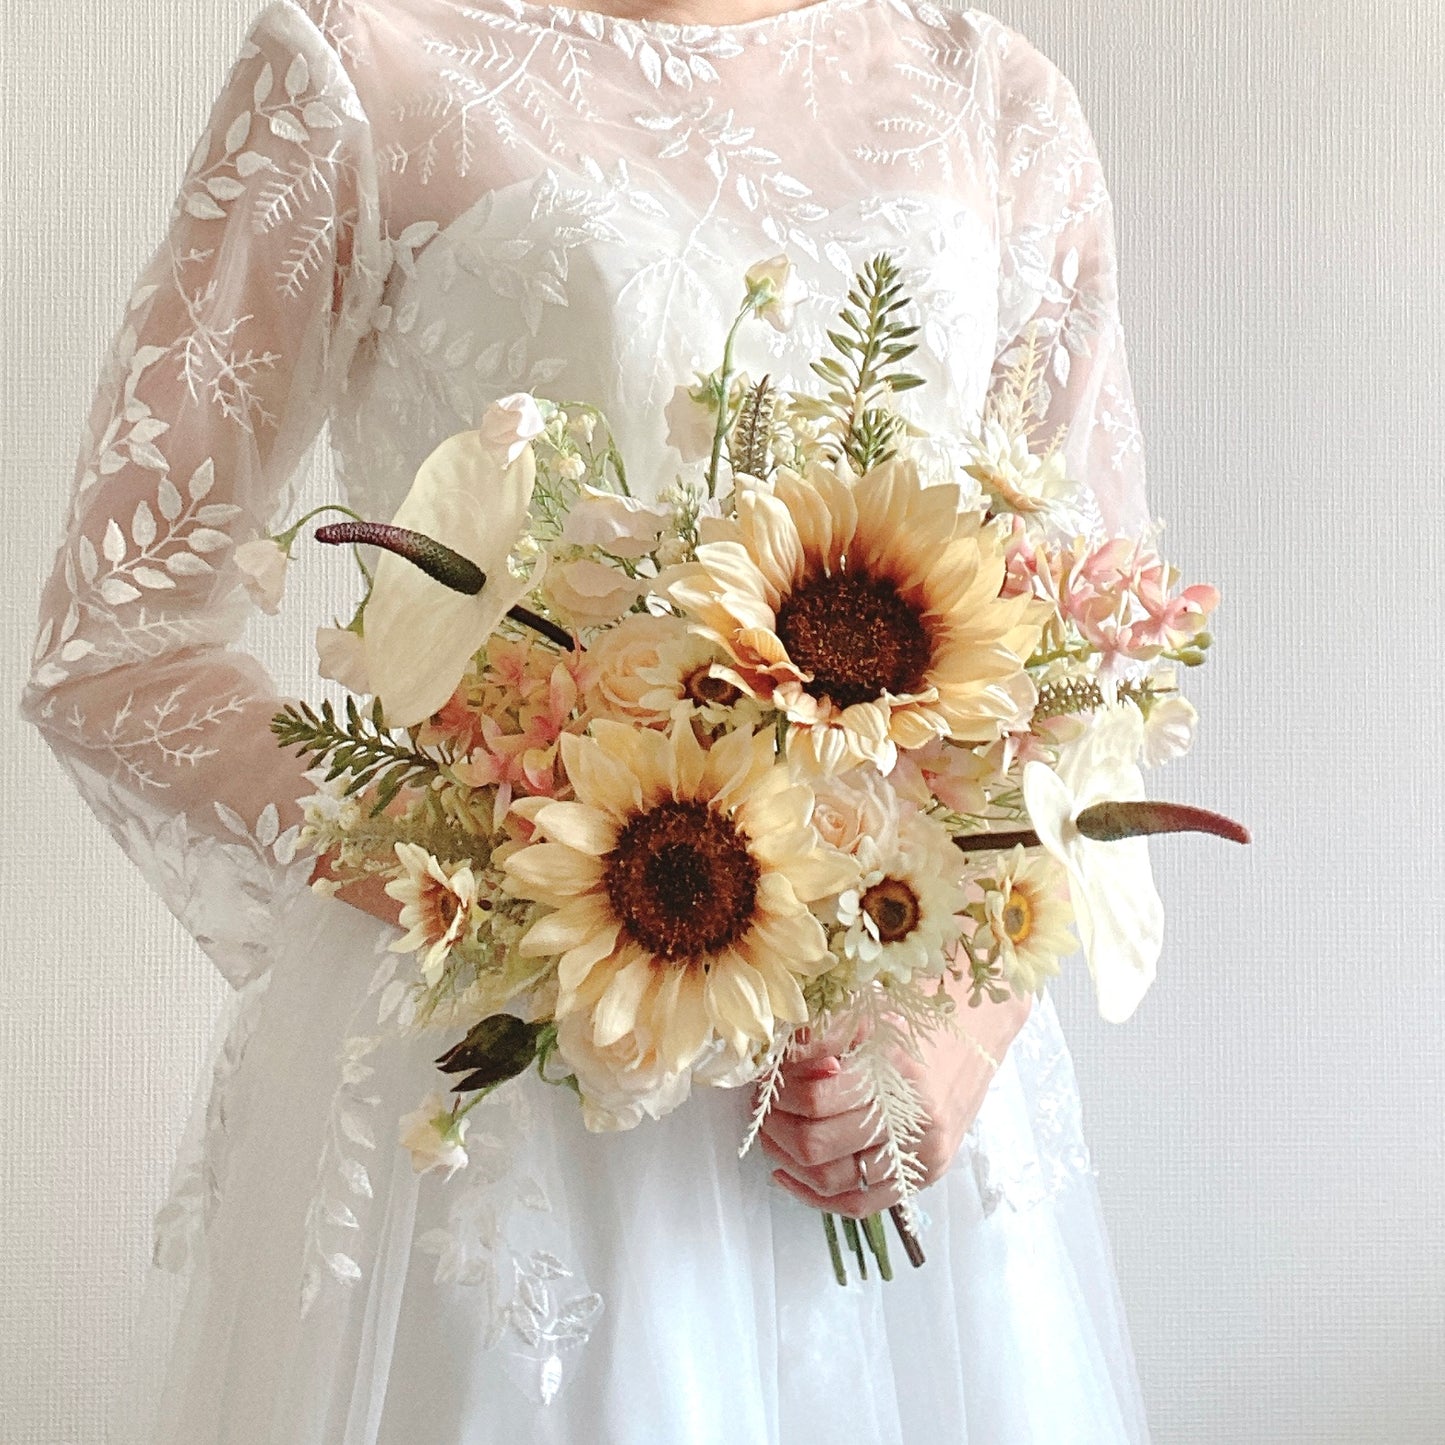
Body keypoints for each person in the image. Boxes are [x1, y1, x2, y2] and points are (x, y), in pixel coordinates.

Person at [21, 0, 1155, 1439]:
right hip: (497, 1103)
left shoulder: (989, 101)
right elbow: (114, 639)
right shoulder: (358, 66)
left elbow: (1089, 664)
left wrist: (958, 1039)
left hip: (870, 1076)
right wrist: (505, 883)